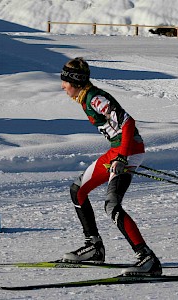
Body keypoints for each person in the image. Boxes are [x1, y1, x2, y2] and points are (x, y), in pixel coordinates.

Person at [60, 57, 162, 275]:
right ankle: (94, 246)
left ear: (75, 81)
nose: (62, 86)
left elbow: (128, 122)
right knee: (78, 191)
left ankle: (147, 258)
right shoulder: (85, 97)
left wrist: (123, 157)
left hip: (128, 151)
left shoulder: (95, 98)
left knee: (112, 206)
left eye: (65, 81)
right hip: (117, 151)